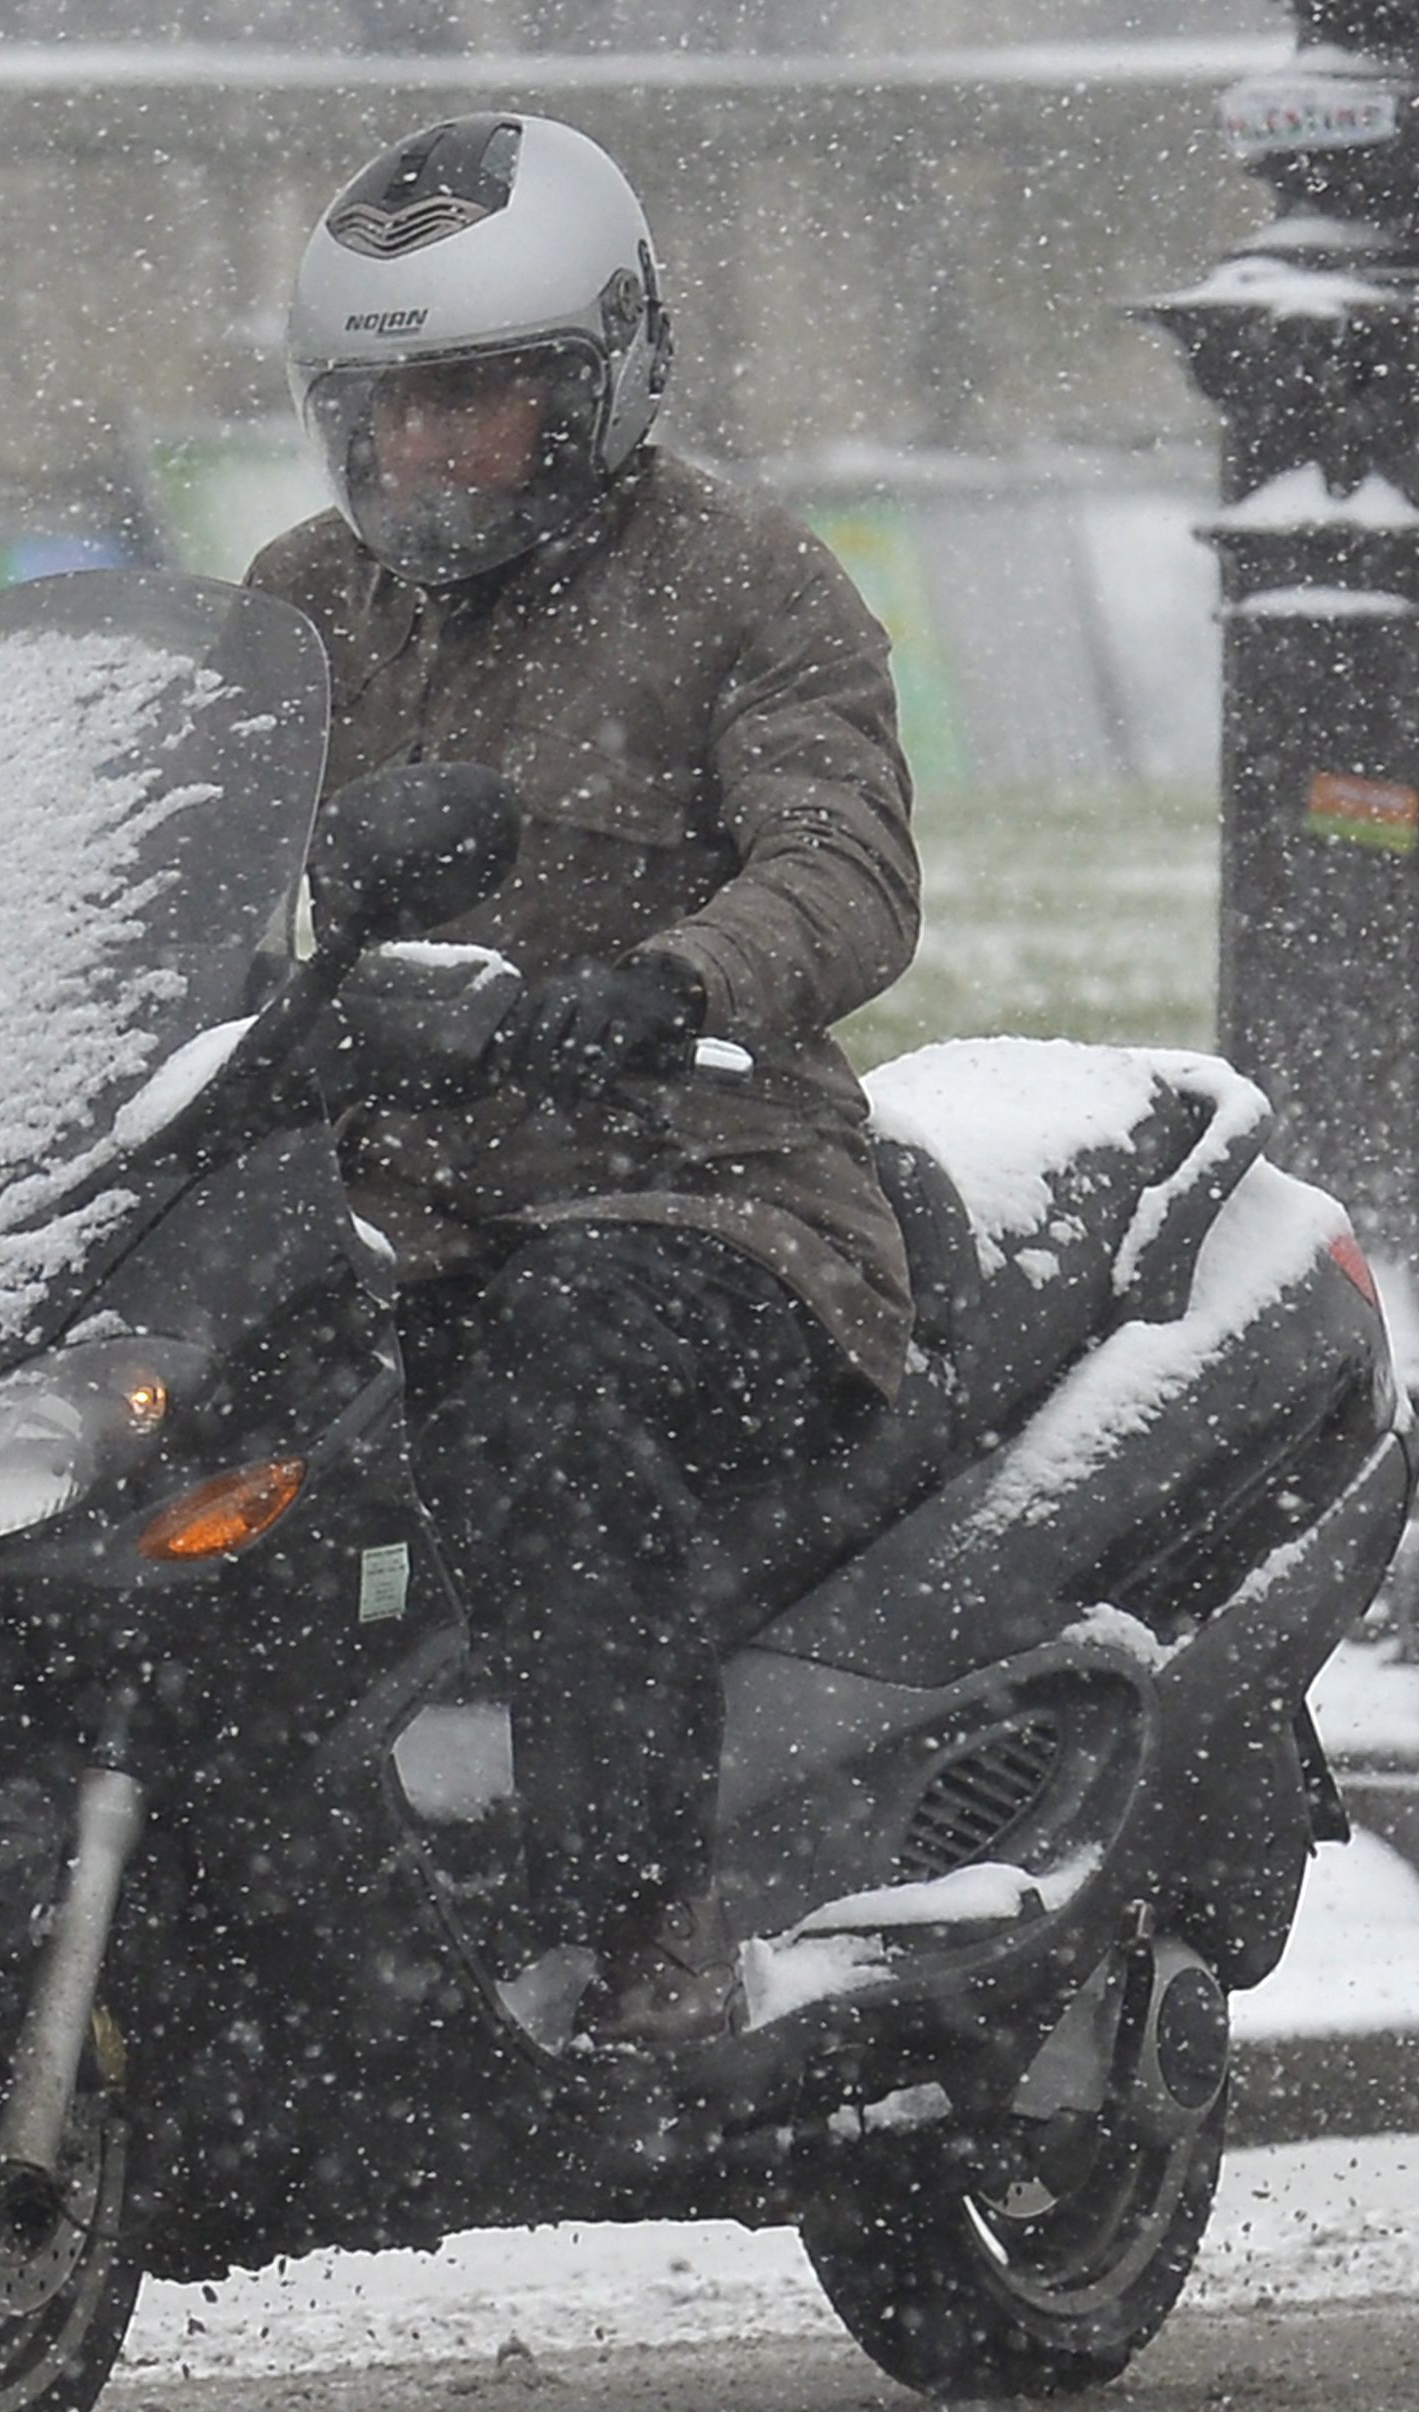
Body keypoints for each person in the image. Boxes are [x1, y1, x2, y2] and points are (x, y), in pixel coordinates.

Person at [245, 112, 921, 2048]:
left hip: (703, 1190)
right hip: (390, 1185)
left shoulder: (743, 584)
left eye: (469, 401)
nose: (419, 454)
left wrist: (662, 981)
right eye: (379, 409)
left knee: (533, 1367)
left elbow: (842, 867)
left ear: (601, 373)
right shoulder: (300, 595)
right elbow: (168, 849)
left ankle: (635, 1927)